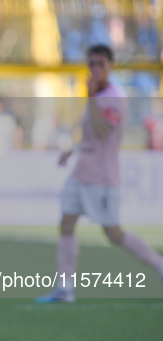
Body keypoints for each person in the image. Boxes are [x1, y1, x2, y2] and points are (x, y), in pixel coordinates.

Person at [37, 45, 163, 303]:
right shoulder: (95, 94)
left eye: (100, 64)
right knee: (66, 223)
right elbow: (90, 135)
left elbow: (103, 130)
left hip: (102, 178)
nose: (95, 68)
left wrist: (91, 97)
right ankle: (65, 288)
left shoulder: (113, 97)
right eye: (92, 63)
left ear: (111, 66)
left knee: (114, 234)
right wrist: (72, 149)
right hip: (82, 171)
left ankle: (159, 265)